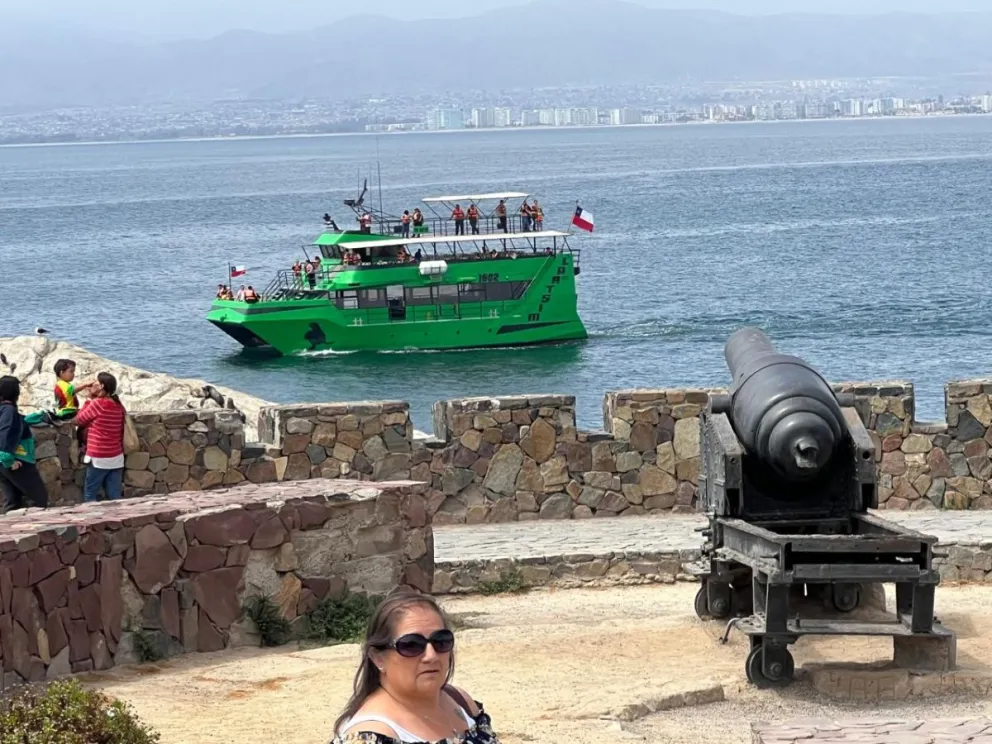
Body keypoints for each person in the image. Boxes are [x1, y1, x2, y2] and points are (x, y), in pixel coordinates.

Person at [332, 586, 501, 744]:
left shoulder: (460, 701)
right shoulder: (370, 736)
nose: (431, 655)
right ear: (378, 658)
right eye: (411, 645)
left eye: (440, 641)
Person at [70, 372, 126, 503]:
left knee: (90, 495)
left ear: (101, 386)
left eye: (94, 382)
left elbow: (78, 420)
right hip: (117, 456)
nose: (91, 384)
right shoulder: (118, 404)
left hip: (99, 457)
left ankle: (92, 517)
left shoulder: (97, 404)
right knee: (115, 496)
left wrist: (88, 401)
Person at [0, 376, 49, 514]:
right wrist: (8, 459)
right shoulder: (9, 410)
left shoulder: (3, 409)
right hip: (16, 460)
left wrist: (25, 419)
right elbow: (4, 432)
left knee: (13, 501)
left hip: (3, 463)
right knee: (39, 499)